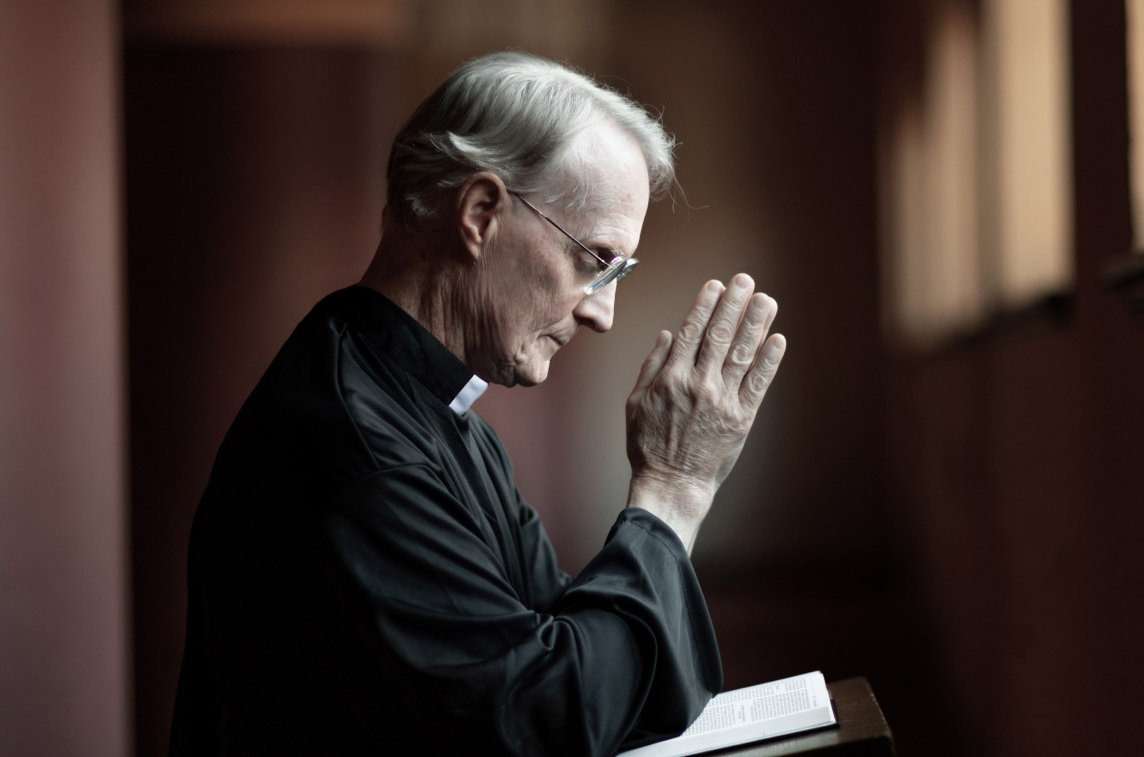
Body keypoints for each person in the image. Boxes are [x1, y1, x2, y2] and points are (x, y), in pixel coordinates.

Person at [169, 51, 786, 756]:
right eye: (594, 261)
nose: (603, 314)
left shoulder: (432, 412)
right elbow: (545, 723)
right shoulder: (351, 442)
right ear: (480, 213)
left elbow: (579, 662)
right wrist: (673, 488)